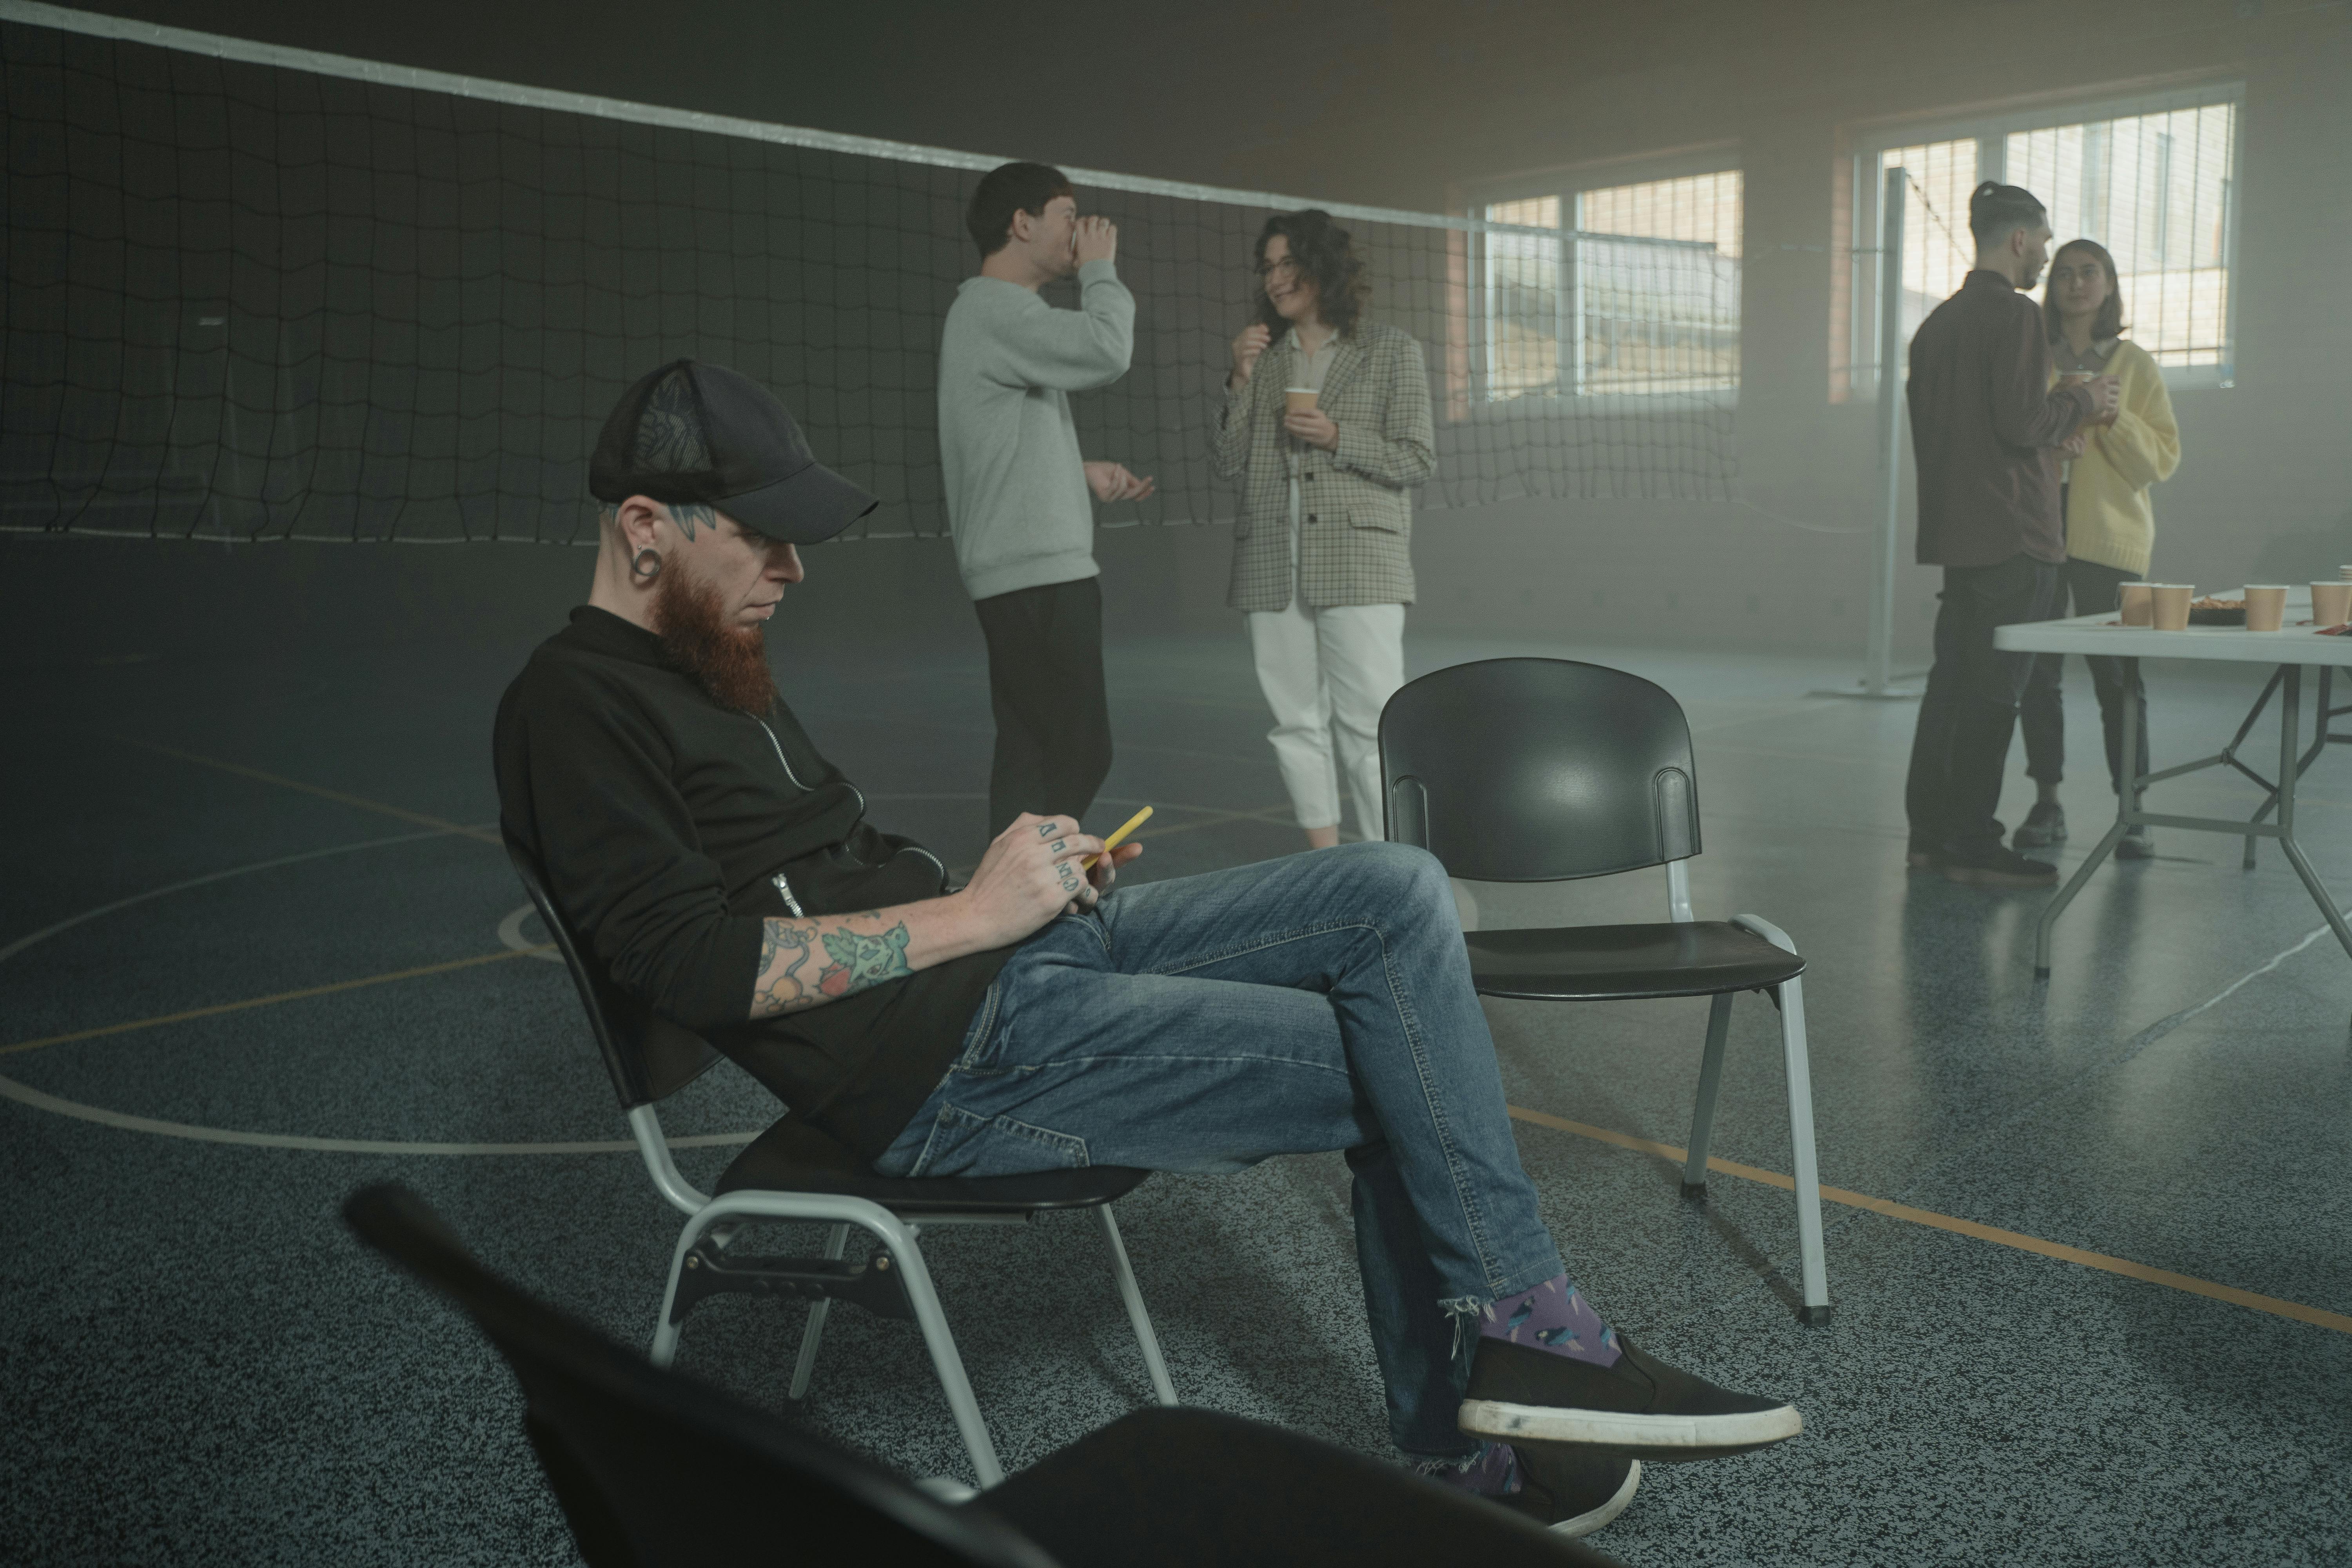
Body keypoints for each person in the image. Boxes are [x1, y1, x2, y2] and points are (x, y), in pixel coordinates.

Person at [497, 360, 1803, 1540]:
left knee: (1395, 890)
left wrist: (1022, 887)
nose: (794, 568)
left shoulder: (719, 662)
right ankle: (1497, 1395)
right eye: (765, 537)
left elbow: (830, 859)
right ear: (645, 530)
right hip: (947, 1069)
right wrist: (975, 917)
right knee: (1401, 1055)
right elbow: (694, 967)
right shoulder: (573, 706)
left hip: (1014, 965)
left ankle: (1515, 1346)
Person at [1902, 181, 2121, 887]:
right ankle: (1975, 840)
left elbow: (1963, 436)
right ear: (2021, 240)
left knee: (1948, 690)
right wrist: (2081, 400)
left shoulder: (1935, 326)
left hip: (1959, 537)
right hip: (2017, 536)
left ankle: (1929, 838)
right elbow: (2024, 425)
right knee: (1996, 695)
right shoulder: (2017, 317)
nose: (2049, 257)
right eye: (2046, 242)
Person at [938, 161, 1155, 838]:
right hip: (1038, 576)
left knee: (1031, 749)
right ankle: (1024, 891)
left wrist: (1074, 469)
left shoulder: (997, 315)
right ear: (1022, 223)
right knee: (1081, 750)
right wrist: (1101, 270)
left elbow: (997, 434)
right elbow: (1107, 349)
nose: (1080, 229)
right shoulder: (996, 309)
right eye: (1067, 214)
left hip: (1022, 571)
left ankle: (1016, 907)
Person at [1210, 210, 1434, 849]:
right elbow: (1226, 460)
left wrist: (1338, 437)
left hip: (1361, 563)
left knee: (1372, 727)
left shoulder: (1391, 351)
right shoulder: (1264, 358)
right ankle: (1327, 865)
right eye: (1268, 267)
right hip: (1271, 566)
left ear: (1323, 267)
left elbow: (1416, 459)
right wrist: (1239, 381)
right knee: (1295, 723)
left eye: (1288, 264)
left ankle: (1396, 869)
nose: (1276, 279)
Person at [2011, 239, 2181, 860]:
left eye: (2090, 273)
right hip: (2037, 536)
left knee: (2119, 680)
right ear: (2051, 289)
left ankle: (2132, 810)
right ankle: (2047, 801)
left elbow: (2159, 462)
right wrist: (2055, 444)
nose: (2077, 284)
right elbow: (2018, 439)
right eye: (2065, 275)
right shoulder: (2031, 356)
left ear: (2109, 285)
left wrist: (2110, 416)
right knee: (2038, 675)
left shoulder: (2135, 364)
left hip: (2112, 544)